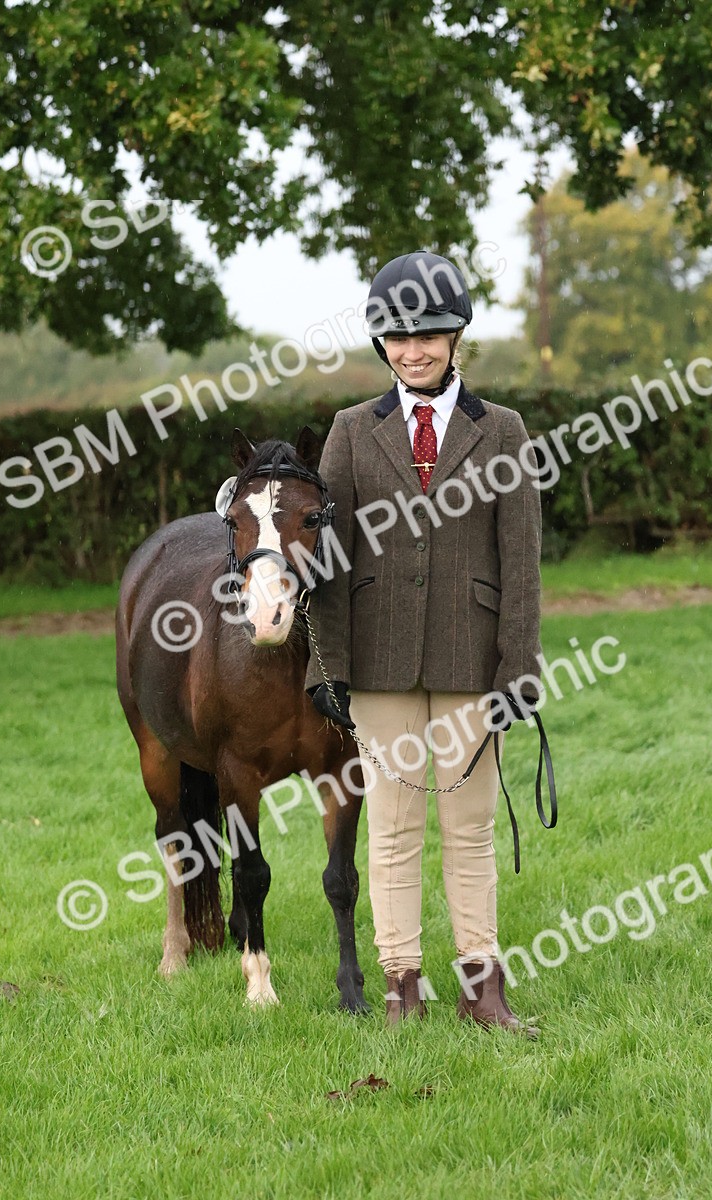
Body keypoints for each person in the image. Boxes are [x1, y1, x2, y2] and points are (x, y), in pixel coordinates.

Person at [305, 250, 543, 1036]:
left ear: (455, 336)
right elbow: (330, 563)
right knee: (395, 829)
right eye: (398, 339)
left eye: (429, 336)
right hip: (376, 660)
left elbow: (522, 561)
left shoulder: (501, 431)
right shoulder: (349, 431)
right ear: (382, 345)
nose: (413, 351)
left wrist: (518, 668)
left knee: (470, 828)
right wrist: (327, 665)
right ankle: (401, 984)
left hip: (471, 658)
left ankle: (483, 986)